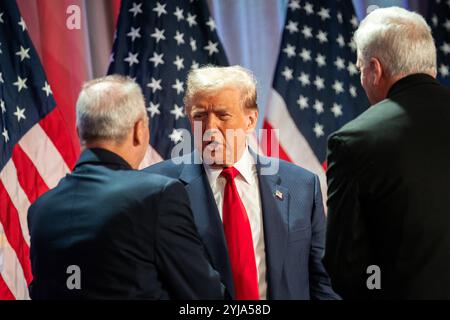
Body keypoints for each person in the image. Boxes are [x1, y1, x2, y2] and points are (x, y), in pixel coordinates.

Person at [145, 65, 338, 300]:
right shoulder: (156, 187)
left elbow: (321, 281)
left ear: (250, 120)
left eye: (223, 115)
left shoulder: (302, 186)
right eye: (200, 116)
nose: (210, 128)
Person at [27, 75, 224, 300]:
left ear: (79, 130)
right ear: (139, 129)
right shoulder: (157, 197)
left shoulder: (40, 209)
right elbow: (205, 297)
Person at [324, 7, 450, 299]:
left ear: (375, 69)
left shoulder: (353, 141)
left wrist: (381, 286)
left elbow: (346, 267)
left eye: (359, 69)